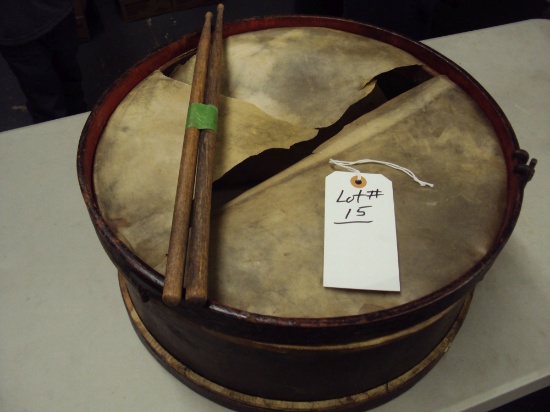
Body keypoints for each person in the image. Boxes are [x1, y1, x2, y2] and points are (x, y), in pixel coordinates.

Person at [0, 1, 87, 123]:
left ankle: (82, 129)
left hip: (58, 13)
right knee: (47, 105)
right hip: (14, 27)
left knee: (72, 85)